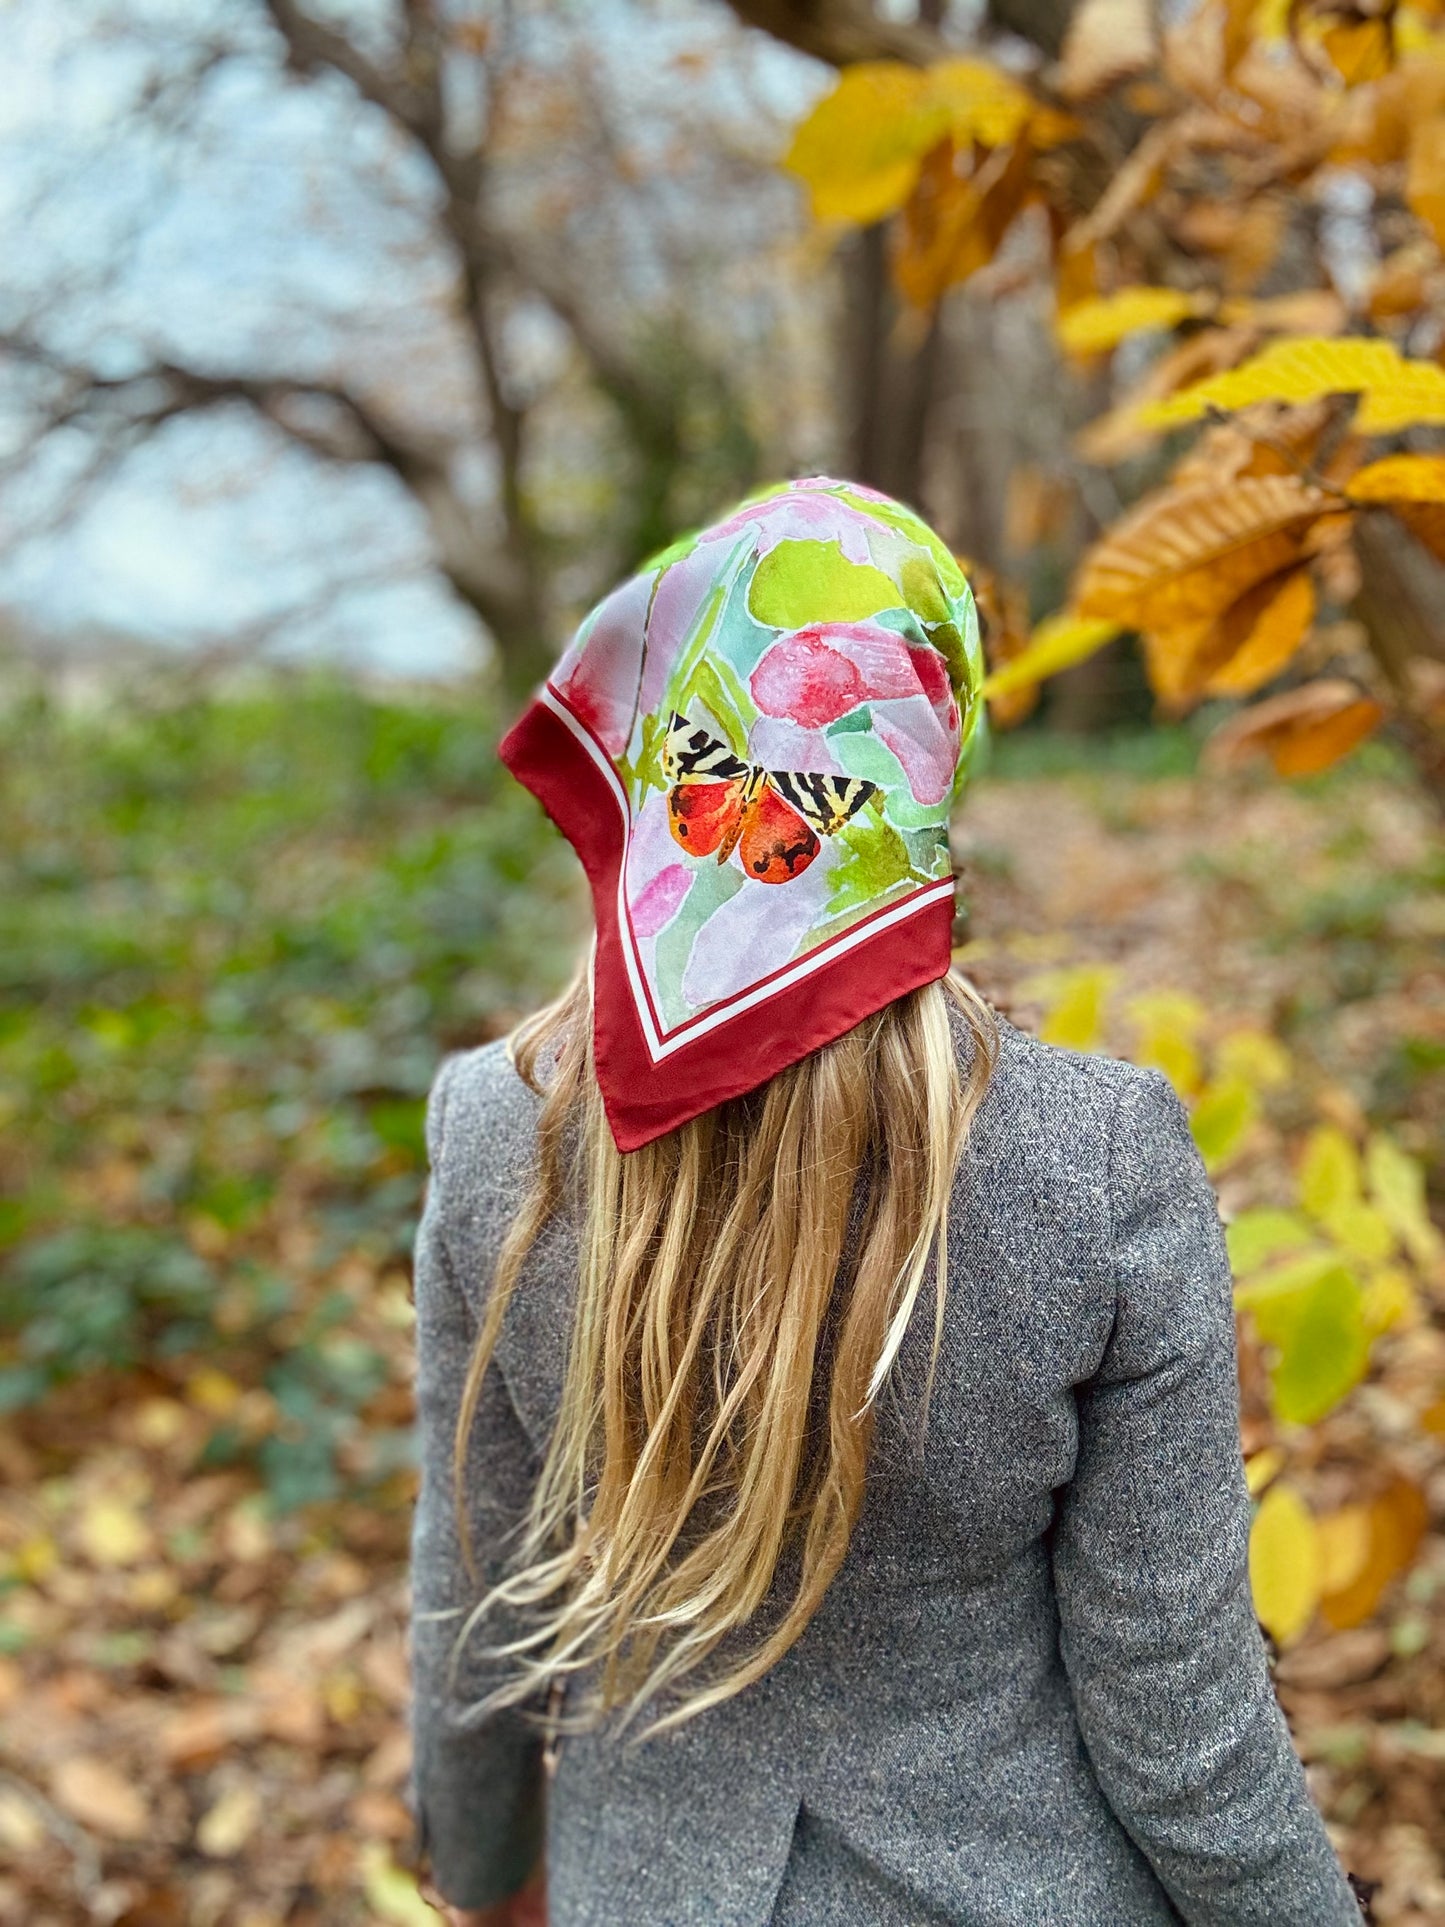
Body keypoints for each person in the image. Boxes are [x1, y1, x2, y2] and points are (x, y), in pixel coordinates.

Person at [407, 479, 1367, 1926]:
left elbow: (471, 1615)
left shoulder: (494, 1130)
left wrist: (484, 1888)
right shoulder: (1094, 1156)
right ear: (932, 750)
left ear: (672, 730)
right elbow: (1182, 1726)